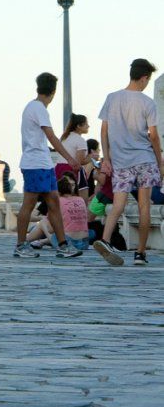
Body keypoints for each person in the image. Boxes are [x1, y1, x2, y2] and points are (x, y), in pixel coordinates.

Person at [92, 58, 163, 266]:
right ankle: (140, 253)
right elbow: (154, 136)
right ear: (144, 78)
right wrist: (160, 162)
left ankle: (105, 240)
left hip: (121, 161)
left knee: (118, 204)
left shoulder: (112, 98)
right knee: (144, 207)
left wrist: (106, 157)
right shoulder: (147, 103)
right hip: (144, 159)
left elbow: (104, 130)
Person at [12, 73, 82, 259]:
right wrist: (69, 158)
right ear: (53, 92)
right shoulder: (39, 108)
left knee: (54, 202)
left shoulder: (32, 107)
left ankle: (63, 245)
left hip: (43, 163)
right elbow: (51, 136)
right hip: (35, 164)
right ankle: (20, 245)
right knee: (29, 204)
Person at [56, 113, 91, 198]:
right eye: (86, 124)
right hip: (70, 170)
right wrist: (91, 158)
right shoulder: (80, 140)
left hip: (58, 168)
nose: (88, 126)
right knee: (72, 197)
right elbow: (80, 162)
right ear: (79, 126)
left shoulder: (64, 137)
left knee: (60, 198)